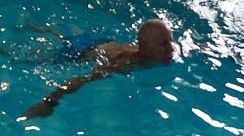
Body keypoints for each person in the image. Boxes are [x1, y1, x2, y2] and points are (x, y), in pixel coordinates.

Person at [21, 18, 176, 118]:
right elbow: (82, 79)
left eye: (170, 41)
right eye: (163, 44)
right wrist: (49, 103)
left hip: (104, 41)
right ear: (145, 46)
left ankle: (41, 28)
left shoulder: (158, 53)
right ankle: (33, 28)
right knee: (37, 60)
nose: (171, 49)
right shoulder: (123, 65)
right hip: (82, 51)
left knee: (64, 36)